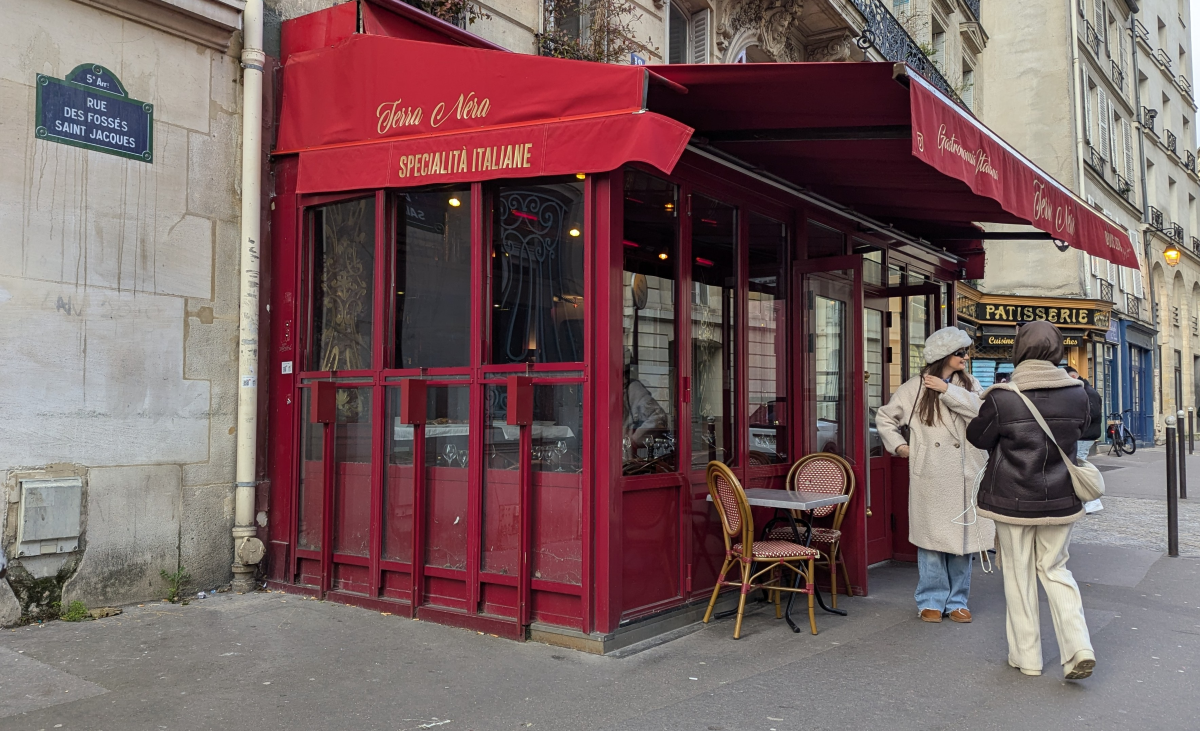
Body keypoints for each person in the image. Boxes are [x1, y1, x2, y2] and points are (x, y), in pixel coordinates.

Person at [966, 321, 1096, 680]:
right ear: (1057, 351)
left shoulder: (1002, 396)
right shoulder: (1078, 393)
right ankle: (1079, 647)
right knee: (1056, 569)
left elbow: (978, 437)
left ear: (1018, 349)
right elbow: (1084, 429)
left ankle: (1028, 658)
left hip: (1012, 499)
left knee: (1019, 574)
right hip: (1061, 497)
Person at [876, 327, 994, 624]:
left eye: (966, 352)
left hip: (965, 473)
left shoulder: (969, 383)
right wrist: (902, 448)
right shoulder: (913, 387)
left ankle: (957, 601)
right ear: (944, 355)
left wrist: (948, 391)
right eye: (960, 353)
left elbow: (983, 414)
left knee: (961, 543)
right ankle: (930, 599)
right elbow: (885, 417)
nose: (966, 357)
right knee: (930, 542)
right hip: (931, 474)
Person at [1064, 366, 1103, 461]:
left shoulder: (1088, 392)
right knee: (1078, 460)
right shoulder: (1082, 390)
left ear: (1073, 377)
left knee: (1079, 460)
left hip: (1086, 434)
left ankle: (1082, 476)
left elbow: (1093, 413)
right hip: (1083, 433)